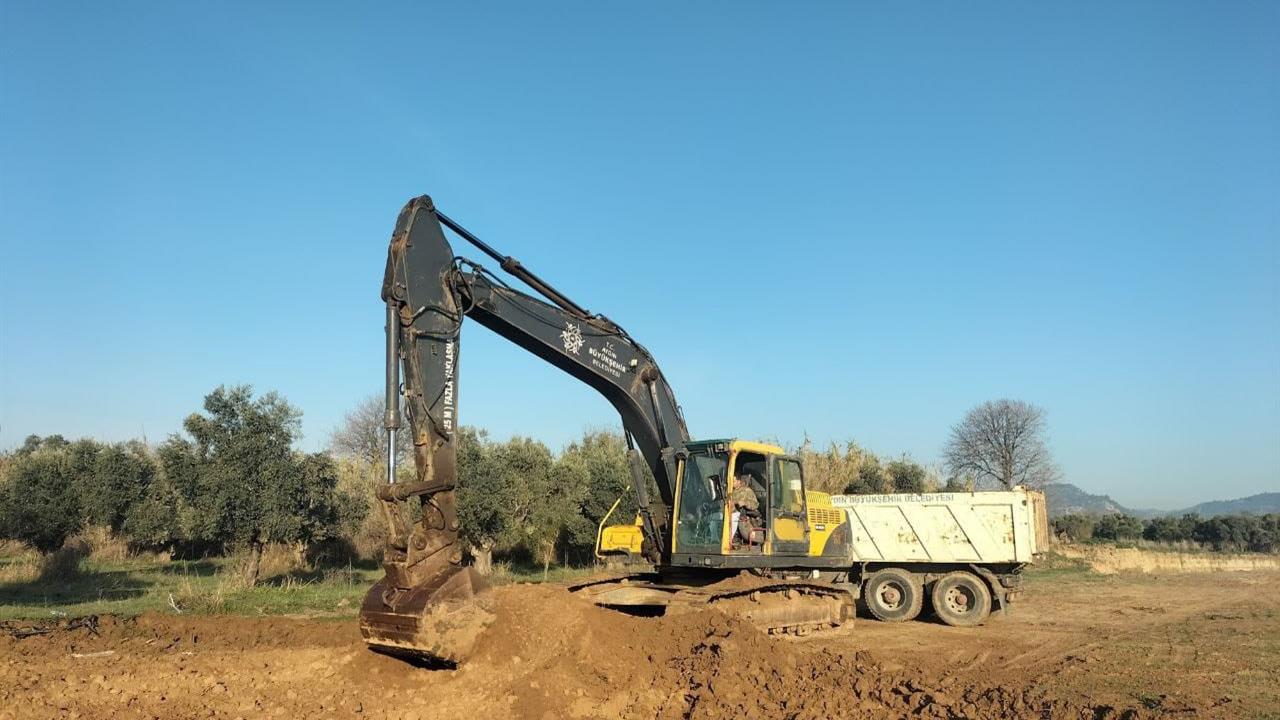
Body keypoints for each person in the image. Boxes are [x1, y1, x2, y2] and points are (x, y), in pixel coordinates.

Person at [730, 473, 761, 545]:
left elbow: (755, 505)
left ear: (738, 481)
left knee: (734, 517)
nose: (731, 483)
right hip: (728, 514)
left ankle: (730, 539)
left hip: (741, 516)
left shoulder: (747, 491)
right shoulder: (729, 491)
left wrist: (745, 503)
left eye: (733, 481)